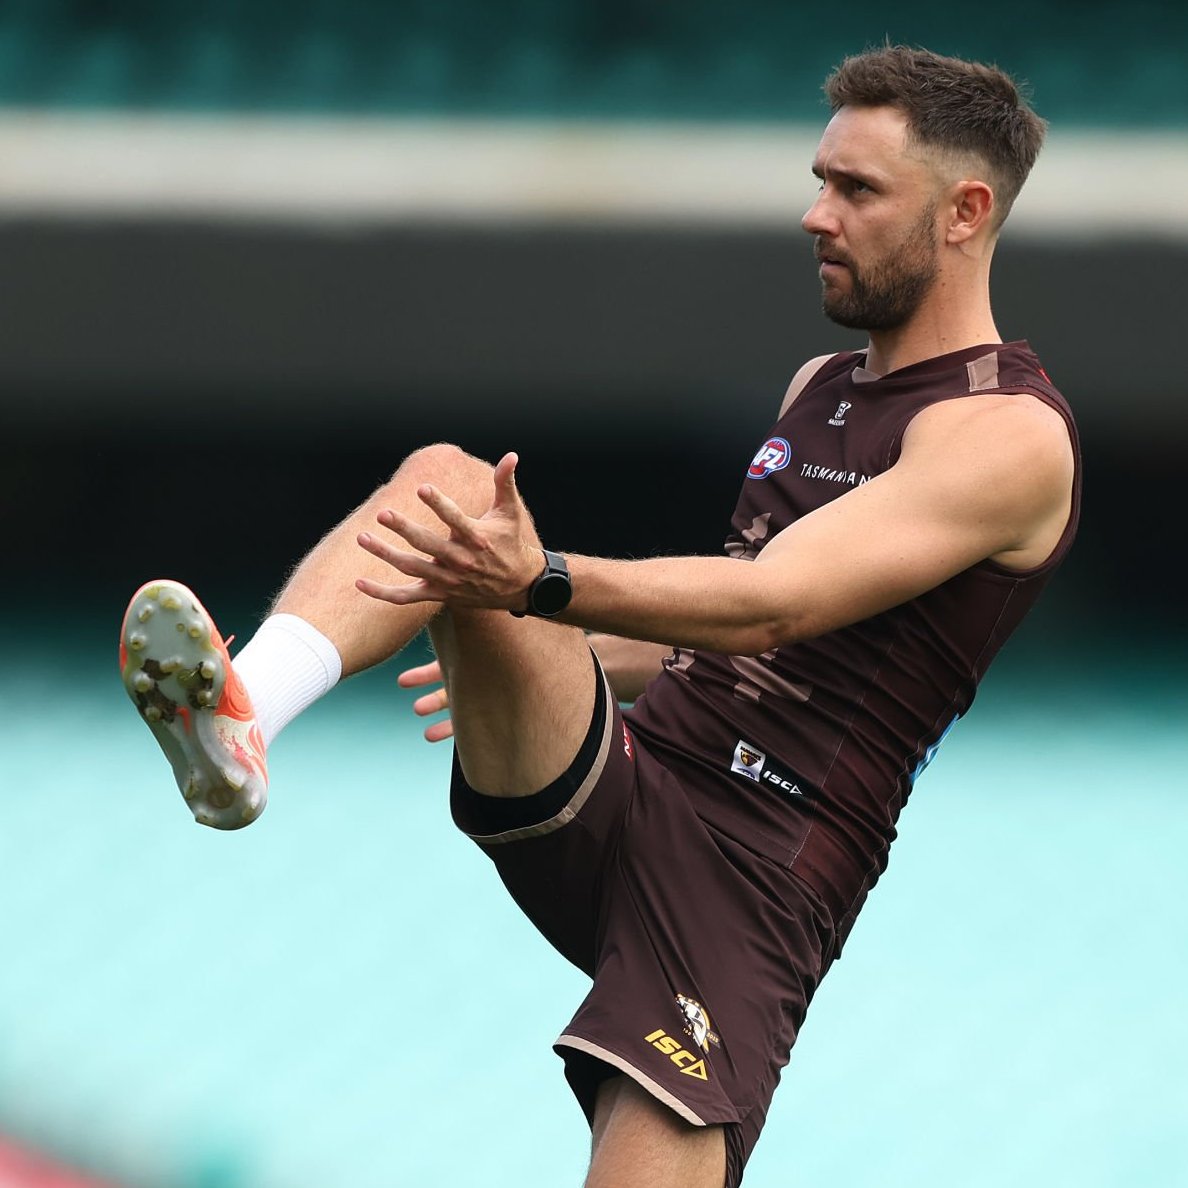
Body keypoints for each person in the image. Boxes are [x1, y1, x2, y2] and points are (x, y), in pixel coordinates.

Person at [118, 46, 1080, 1188]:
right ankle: (246, 716)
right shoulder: (818, 389)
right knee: (448, 484)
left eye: (857, 190)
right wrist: (545, 637)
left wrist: (541, 586)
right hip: (628, 776)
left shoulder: (1009, 435)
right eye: (819, 179)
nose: (816, 215)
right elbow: (724, 631)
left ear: (967, 211)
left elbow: (779, 603)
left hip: (751, 880)